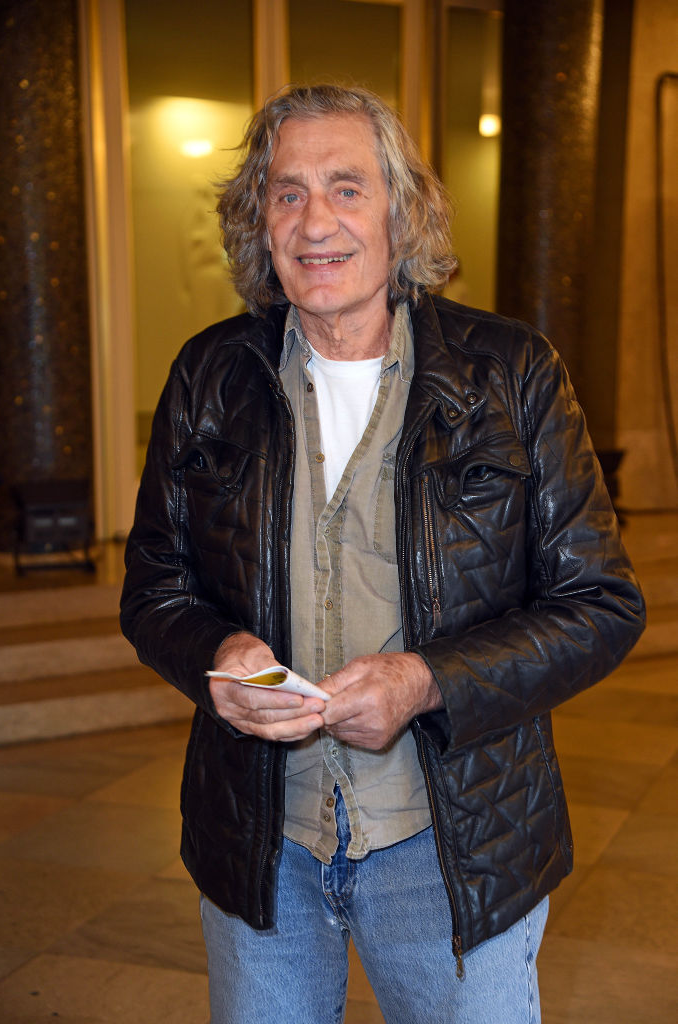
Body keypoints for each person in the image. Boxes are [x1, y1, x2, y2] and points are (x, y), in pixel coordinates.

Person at [120, 84, 645, 1024]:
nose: (315, 221)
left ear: (402, 212)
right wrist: (215, 653)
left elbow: (601, 604)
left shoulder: (511, 372)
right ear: (260, 222)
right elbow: (155, 587)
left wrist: (428, 680)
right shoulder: (208, 375)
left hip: (456, 844)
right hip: (263, 845)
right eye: (287, 193)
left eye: (347, 188)